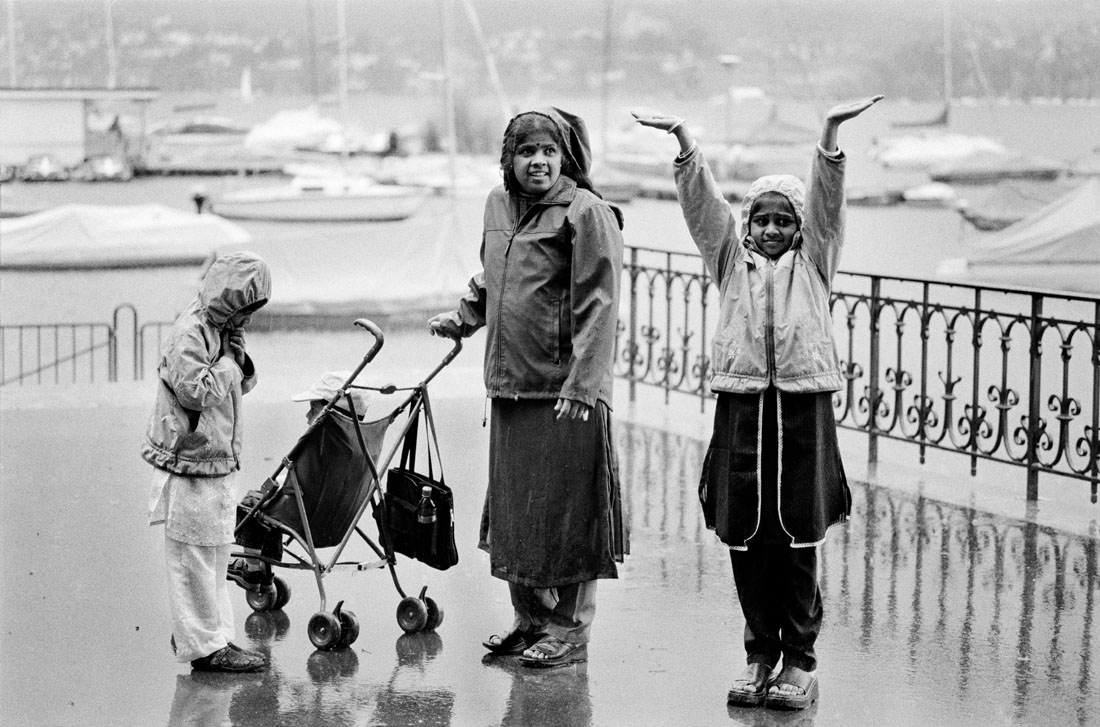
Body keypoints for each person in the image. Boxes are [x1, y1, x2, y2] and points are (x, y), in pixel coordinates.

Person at [632, 94, 883, 709]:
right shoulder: (729, 262)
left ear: (799, 227)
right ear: (747, 226)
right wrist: (685, 144)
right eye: (761, 220)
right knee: (745, 537)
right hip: (743, 407)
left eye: (784, 220)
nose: (771, 229)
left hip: (801, 409)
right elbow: (703, 211)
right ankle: (758, 654)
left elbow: (829, 206)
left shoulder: (816, 264)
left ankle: (799, 661)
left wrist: (828, 135)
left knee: (796, 540)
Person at [428, 107, 626, 669]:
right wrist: (465, 316)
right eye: (525, 152)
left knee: (571, 515)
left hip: (565, 392)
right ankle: (531, 620)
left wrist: (583, 384)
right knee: (517, 515)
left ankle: (569, 629)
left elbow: (599, 305)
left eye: (548, 152)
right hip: (510, 386)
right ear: (508, 160)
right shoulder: (497, 205)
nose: (537, 162)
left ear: (565, 157)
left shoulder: (586, 213)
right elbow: (496, 276)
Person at [143, 251, 272, 673]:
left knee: (212, 552)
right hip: (192, 459)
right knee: (194, 556)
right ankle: (203, 645)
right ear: (229, 300)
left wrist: (239, 358)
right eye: (246, 310)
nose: (248, 319)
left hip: (212, 458)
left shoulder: (216, 328)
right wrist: (231, 364)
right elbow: (196, 393)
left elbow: (237, 386)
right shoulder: (191, 332)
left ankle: (204, 635)